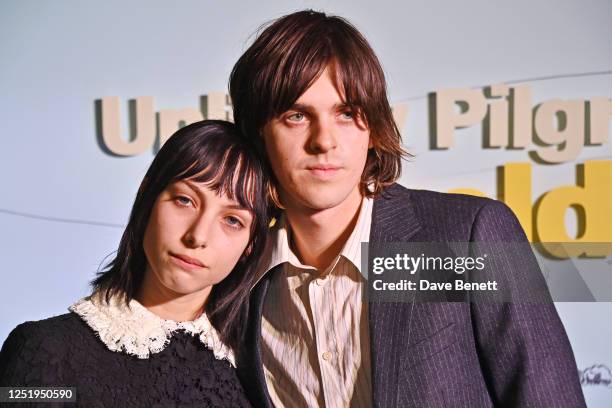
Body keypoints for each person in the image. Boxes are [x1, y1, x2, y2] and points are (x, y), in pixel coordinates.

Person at [229, 10, 587, 408]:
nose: (324, 141)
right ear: (258, 132)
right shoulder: (238, 279)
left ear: (373, 128)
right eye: (297, 116)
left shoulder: (468, 236)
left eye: (346, 113)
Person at [0, 120, 269, 407]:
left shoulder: (255, 367)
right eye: (184, 200)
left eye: (232, 220)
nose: (198, 236)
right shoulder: (45, 348)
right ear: (147, 195)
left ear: (250, 245)